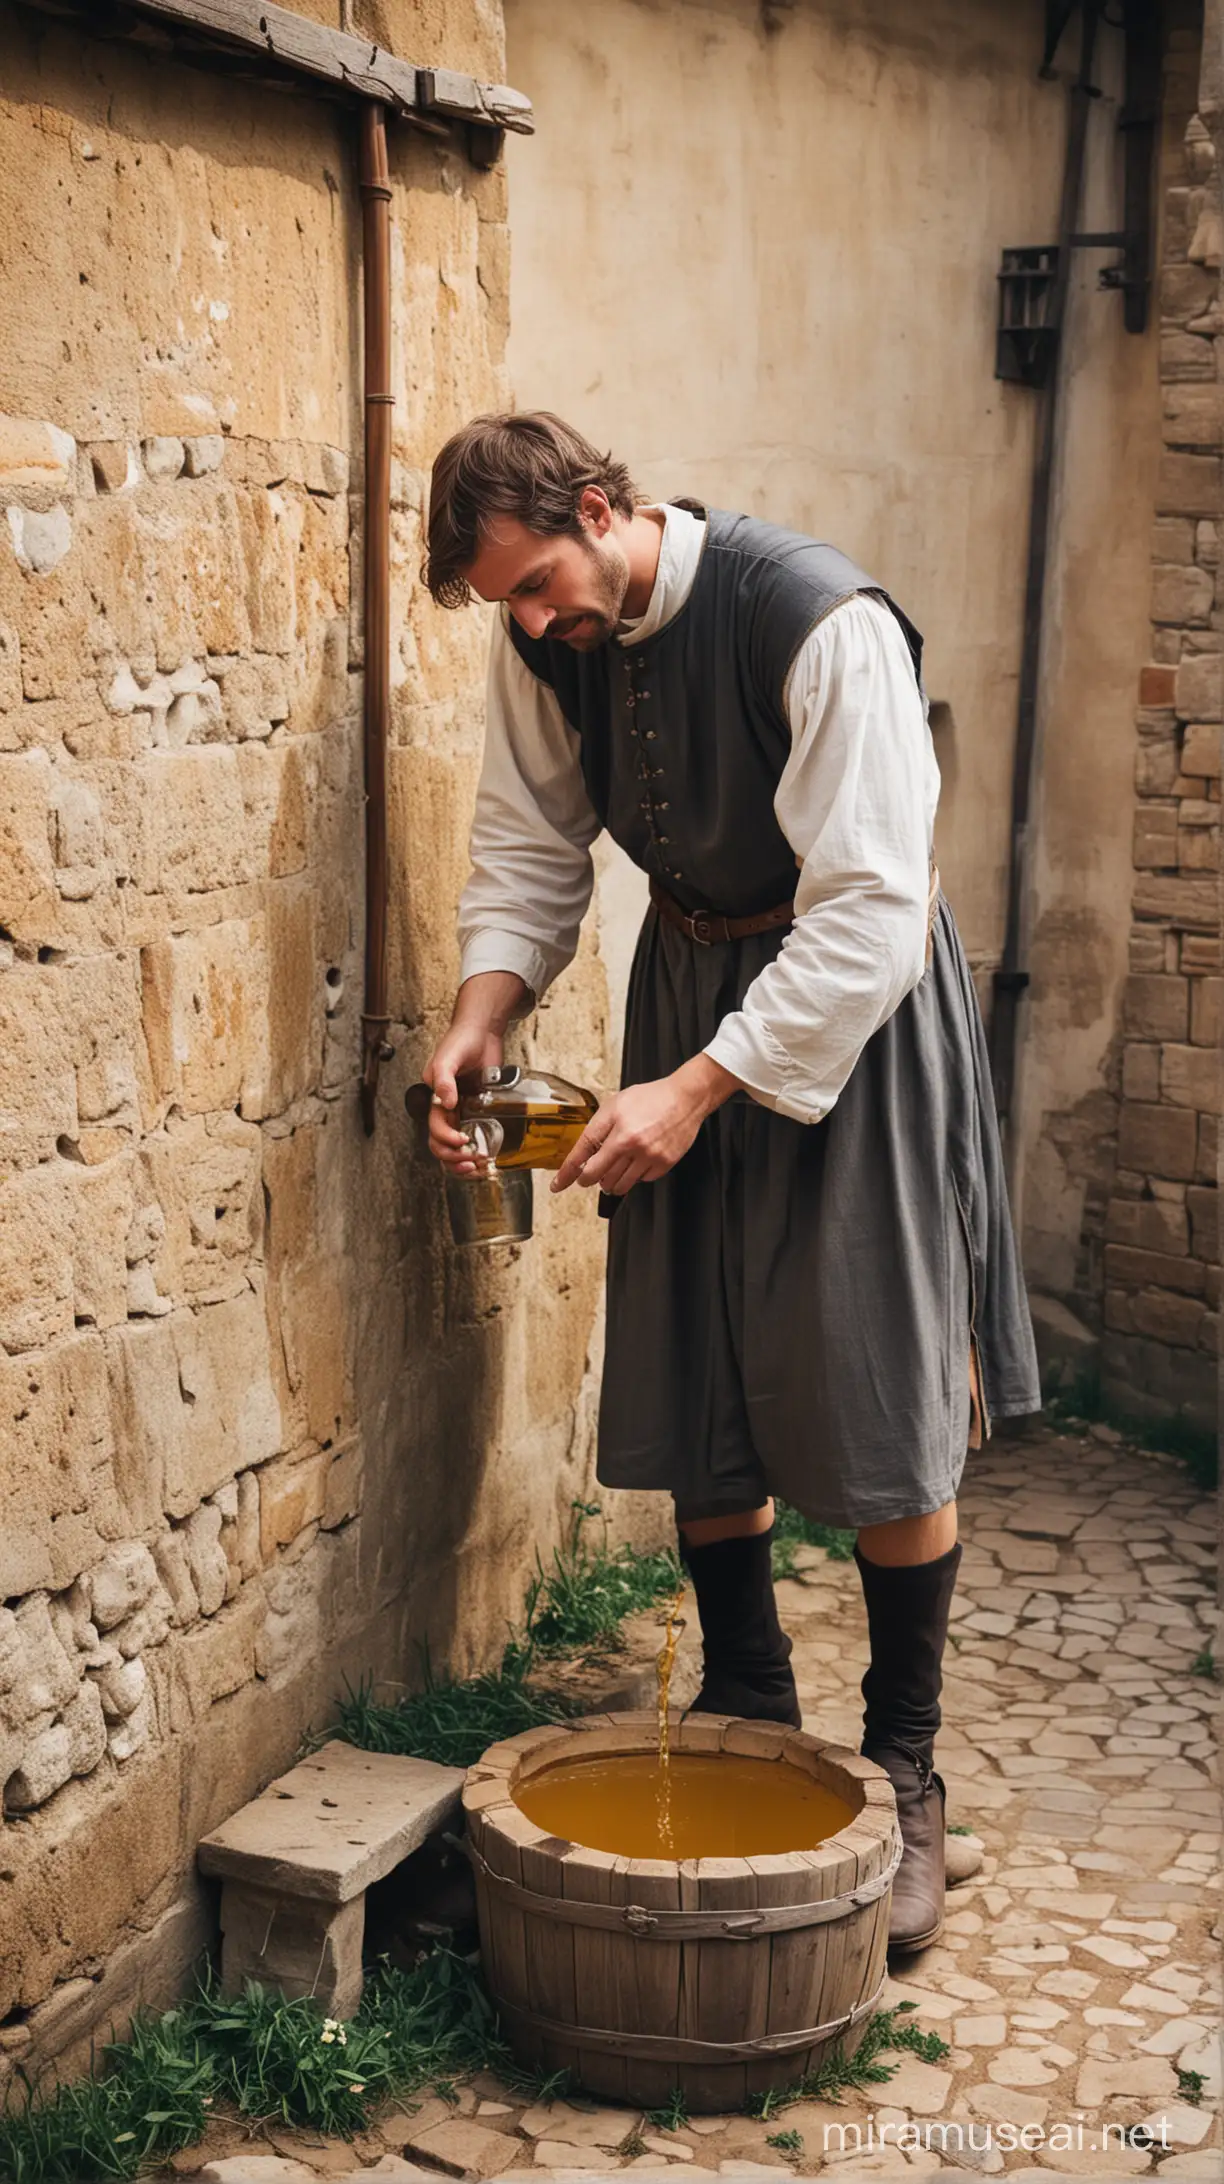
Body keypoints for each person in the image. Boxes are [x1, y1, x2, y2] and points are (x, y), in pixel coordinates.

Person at [419, 412, 1040, 1953]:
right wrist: (478, 1018)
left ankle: (904, 1766)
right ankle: (749, 1685)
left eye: (549, 583)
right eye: (513, 604)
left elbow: (874, 908)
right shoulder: (544, 636)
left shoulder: (811, 618)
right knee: (700, 1348)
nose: (541, 622)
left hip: (857, 1012)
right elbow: (530, 849)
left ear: (603, 505)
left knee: (878, 1378)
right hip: (686, 990)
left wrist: (703, 1090)